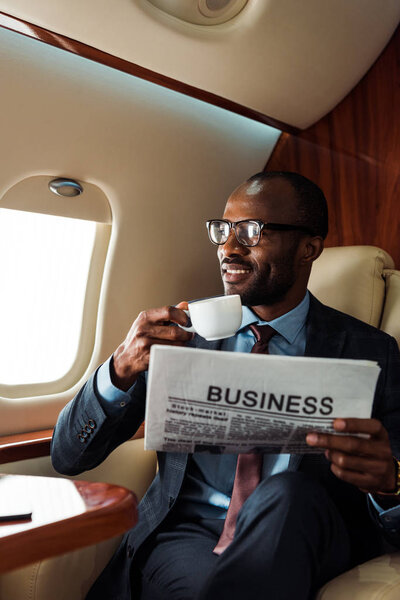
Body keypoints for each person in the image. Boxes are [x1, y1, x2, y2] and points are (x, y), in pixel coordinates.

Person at [51, 171, 400, 600]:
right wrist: (119, 369)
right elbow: (67, 456)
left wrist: (390, 483)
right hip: (187, 536)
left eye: (251, 232)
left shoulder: (371, 350)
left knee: (288, 494)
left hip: (300, 536)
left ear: (309, 248)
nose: (229, 248)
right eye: (223, 230)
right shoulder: (179, 333)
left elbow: (394, 486)